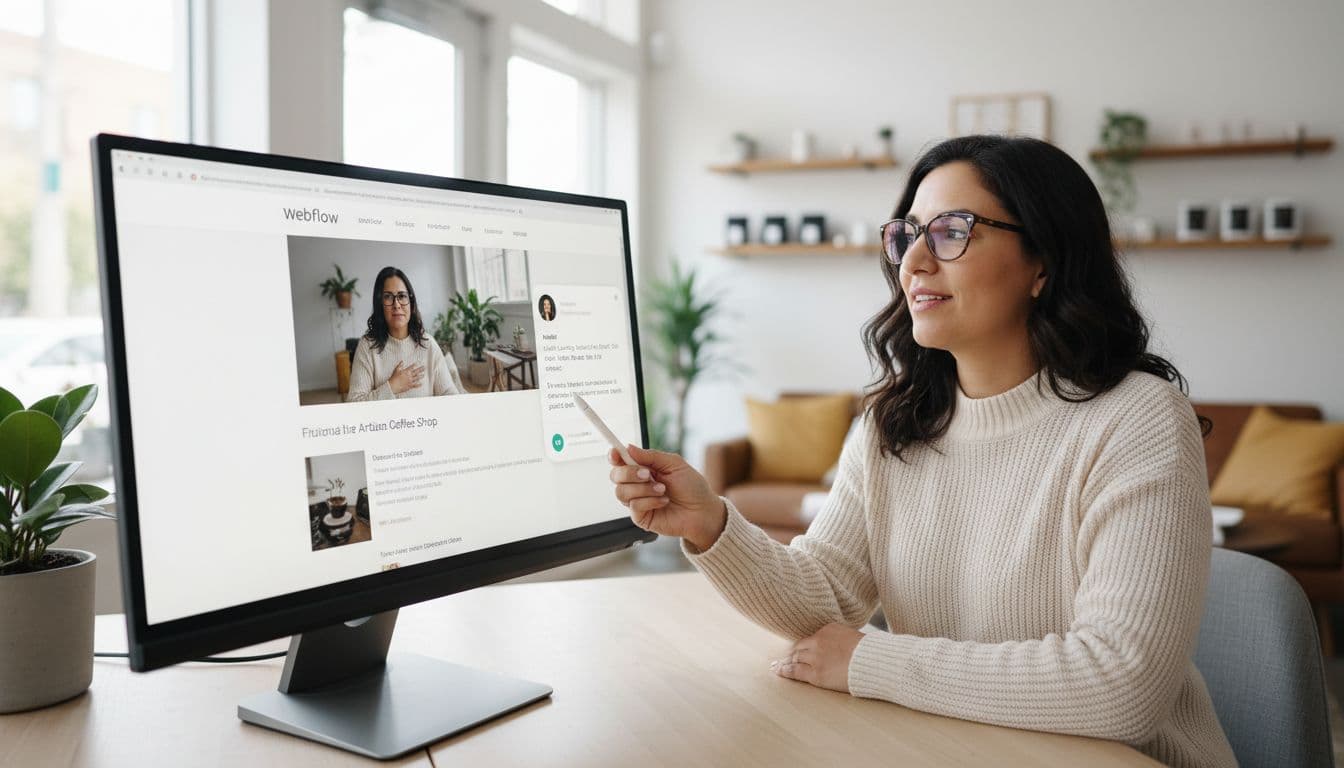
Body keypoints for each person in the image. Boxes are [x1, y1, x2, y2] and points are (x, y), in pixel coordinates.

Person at [608, 136, 1236, 767]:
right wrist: (711, 524)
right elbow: (826, 595)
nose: (913, 262)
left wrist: (872, 660)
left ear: (1042, 262)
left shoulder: (1138, 420)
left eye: (952, 232)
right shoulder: (893, 422)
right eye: (907, 234)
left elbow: (1122, 687)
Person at [346, 266, 464, 401]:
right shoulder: (366, 347)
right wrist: (392, 387)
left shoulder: (428, 344)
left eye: (402, 296)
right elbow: (354, 403)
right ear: (380, 305)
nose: (396, 304)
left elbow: (449, 393)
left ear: (411, 304)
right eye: (388, 297)